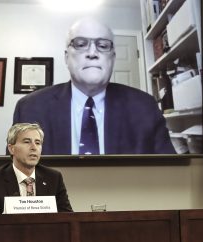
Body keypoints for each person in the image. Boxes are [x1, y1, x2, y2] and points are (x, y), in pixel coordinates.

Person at [13, 17, 175, 155]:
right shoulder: (30, 108)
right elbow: (17, 178)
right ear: (66, 57)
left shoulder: (144, 106)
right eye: (81, 44)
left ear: (112, 58)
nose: (92, 53)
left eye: (103, 46)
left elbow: (168, 176)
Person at [0, 123, 73, 214]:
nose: (34, 147)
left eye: (38, 143)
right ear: (11, 149)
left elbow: (69, 219)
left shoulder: (53, 178)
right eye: (27, 142)